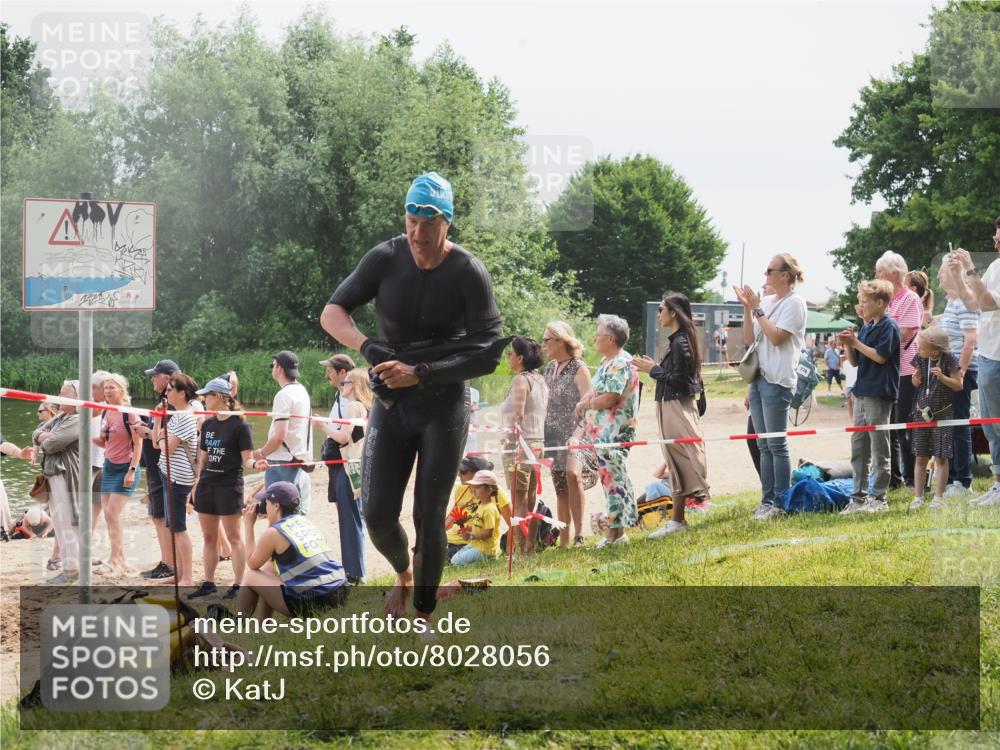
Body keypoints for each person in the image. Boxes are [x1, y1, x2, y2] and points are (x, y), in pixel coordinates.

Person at [320, 171, 505, 623]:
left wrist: (420, 372)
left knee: (428, 511)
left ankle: (423, 615)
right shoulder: (385, 258)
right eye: (411, 220)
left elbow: (487, 353)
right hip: (391, 404)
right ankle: (404, 575)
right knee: (377, 512)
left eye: (430, 223)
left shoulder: (467, 271)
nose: (418, 233)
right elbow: (333, 312)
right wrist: (367, 346)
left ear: (448, 224)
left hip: (444, 403)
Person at [733, 253, 808, 520]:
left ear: (785, 275)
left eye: (769, 270)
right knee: (763, 445)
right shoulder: (765, 301)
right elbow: (749, 339)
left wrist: (758, 309)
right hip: (758, 378)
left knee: (776, 444)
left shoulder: (795, 303)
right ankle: (767, 501)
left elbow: (777, 338)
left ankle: (781, 501)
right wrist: (747, 308)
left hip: (777, 380)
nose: (765, 275)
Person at [635, 291, 709, 537]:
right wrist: (654, 369)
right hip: (670, 404)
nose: (658, 314)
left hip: (676, 405)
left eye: (661, 310)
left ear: (673, 313)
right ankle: (678, 520)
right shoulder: (680, 339)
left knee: (684, 457)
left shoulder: (681, 342)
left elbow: (680, 380)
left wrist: (653, 370)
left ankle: (680, 518)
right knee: (676, 459)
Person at [238, 481, 349, 620]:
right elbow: (268, 561)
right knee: (268, 568)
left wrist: (248, 525)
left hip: (315, 601)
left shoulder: (273, 533)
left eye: (266, 503)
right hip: (340, 591)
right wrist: (271, 521)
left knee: (250, 576)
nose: (264, 507)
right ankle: (264, 622)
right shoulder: (305, 522)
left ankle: (239, 622)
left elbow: (252, 563)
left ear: (276, 506)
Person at [575, 314, 639, 548]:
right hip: (603, 435)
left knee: (614, 482)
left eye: (598, 334)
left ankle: (617, 535)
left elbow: (611, 397)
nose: (594, 338)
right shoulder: (607, 362)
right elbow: (597, 392)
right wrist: (584, 402)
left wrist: (587, 404)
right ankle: (615, 533)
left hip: (614, 434)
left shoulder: (619, 363)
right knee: (611, 481)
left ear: (610, 339)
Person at [949, 218, 1000, 506]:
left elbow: (990, 303)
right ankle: (997, 485)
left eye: (999, 239)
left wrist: (970, 269)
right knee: (991, 427)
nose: (995, 243)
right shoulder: (995, 267)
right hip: (991, 353)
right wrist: (959, 276)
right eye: (995, 238)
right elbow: (973, 302)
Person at [838, 280, 900, 514]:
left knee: (879, 447)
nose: (860, 305)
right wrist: (848, 345)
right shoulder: (866, 327)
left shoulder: (889, 326)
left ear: (880, 303)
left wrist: (856, 342)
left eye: (865, 301)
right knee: (858, 447)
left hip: (879, 393)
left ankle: (879, 497)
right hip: (862, 391)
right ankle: (858, 497)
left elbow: (881, 357)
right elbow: (855, 361)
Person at [191, 373, 253, 600]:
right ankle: (208, 582)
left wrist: (256, 462)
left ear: (218, 396)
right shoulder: (208, 424)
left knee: (234, 538)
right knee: (209, 538)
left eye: (206, 396)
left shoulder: (240, 426)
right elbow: (204, 460)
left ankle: (238, 585)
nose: (203, 399)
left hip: (229, 485)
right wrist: (196, 482)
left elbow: (247, 460)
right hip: (208, 484)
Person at [314, 357, 370, 584]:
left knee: (350, 517)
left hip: (348, 467)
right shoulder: (362, 406)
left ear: (355, 386)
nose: (342, 386)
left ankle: (354, 572)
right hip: (353, 466)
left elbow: (343, 438)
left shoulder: (353, 406)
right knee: (353, 516)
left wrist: (321, 426)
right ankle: (354, 570)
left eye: (347, 383)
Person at [542, 321, 595, 546]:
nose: (543, 345)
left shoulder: (579, 367)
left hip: (576, 433)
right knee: (561, 486)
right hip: (552, 434)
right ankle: (564, 539)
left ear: (561, 341)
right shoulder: (549, 368)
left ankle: (580, 535)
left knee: (574, 476)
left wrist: (578, 433)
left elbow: (590, 405)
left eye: (547, 340)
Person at [876, 251, 923, 489]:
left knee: (905, 427)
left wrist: (877, 344)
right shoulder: (887, 301)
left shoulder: (910, 299)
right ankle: (895, 478)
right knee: (891, 428)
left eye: (879, 272)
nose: (876, 276)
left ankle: (914, 479)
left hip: (907, 371)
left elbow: (902, 335)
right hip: (889, 372)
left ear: (894, 274)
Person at [935, 259, 980, 498]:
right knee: (949, 426)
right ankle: (952, 478)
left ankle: (963, 481)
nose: (939, 276)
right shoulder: (952, 302)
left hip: (962, 371)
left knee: (959, 425)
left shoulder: (965, 301)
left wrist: (960, 372)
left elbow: (970, 340)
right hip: (947, 370)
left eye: (943, 272)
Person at [151, 373, 200, 586]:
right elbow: (156, 443)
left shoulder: (184, 416)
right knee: (172, 528)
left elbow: (167, 447)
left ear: (182, 393)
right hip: (169, 475)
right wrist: (159, 428)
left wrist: (162, 437)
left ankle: (187, 576)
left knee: (179, 529)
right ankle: (180, 573)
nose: (166, 393)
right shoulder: (178, 415)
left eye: (170, 389)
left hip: (178, 479)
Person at [501, 336, 548, 555]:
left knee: (518, 498)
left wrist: (509, 441)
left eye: (510, 353)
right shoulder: (539, 379)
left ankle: (522, 549)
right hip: (537, 441)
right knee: (529, 496)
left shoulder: (521, 380)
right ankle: (531, 545)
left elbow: (517, 415)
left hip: (520, 444)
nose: (508, 357)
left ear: (520, 358)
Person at [93, 373, 144, 576]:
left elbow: (139, 443)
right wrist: (85, 436)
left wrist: (132, 470)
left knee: (112, 513)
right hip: (109, 466)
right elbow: (104, 442)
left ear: (122, 390)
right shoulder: (106, 412)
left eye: (111, 387)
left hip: (126, 468)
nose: (107, 391)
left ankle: (115, 560)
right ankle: (118, 558)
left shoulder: (129, 413)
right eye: (105, 388)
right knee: (108, 515)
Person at [32, 380, 82, 584]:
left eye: (65, 395)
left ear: (77, 398)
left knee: (68, 520)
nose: (58, 397)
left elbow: (52, 445)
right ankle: (67, 566)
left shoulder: (77, 418)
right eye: (59, 393)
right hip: (53, 473)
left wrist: (47, 438)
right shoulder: (62, 416)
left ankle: (73, 569)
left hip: (66, 474)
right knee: (59, 522)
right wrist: (45, 436)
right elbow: (36, 433)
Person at [908, 327, 964, 509]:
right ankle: (918, 497)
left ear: (935, 351)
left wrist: (942, 377)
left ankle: (938, 498)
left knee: (941, 457)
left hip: (943, 413)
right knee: (920, 456)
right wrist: (915, 379)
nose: (918, 351)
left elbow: (958, 385)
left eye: (921, 349)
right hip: (921, 412)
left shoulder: (950, 360)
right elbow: (915, 383)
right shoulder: (920, 359)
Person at [251, 351, 313, 515]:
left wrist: (261, 453)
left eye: (273, 365)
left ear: (279, 369)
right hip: (298, 457)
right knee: (294, 509)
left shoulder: (283, 395)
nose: (273, 368)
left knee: (278, 513)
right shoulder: (302, 391)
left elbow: (279, 436)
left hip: (281, 460)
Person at [139, 359, 181, 580]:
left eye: (155, 375)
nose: (152, 379)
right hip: (155, 465)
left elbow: (167, 435)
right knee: (157, 514)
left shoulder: (174, 402)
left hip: (163, 464)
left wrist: (145, 431)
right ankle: (166, 560)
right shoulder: (164, 400)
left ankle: (170, 563)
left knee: (163, 515)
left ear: (167, 377)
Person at [445, 455, 512, 561]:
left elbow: (513, 525)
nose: (459, 474)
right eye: (459, 470)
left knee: (444, 560)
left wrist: (509, 554)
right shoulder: (461, 489)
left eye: (463, 471)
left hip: (473, 544)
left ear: (478, 473)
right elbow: (454, 517)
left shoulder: (496, 492)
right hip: (451, 542)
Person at [450, 470, 503, 566]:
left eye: (477, 487)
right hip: (477, 544)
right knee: (454, 558)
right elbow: (479, 525)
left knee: (455, 562)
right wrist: (468, 530)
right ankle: (485, 560)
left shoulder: (489, 509)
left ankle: (489, 559)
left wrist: (471, 536)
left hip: (486, 549)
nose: (473, 490)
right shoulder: (481, 505)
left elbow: (489, 533)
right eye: (473, 487)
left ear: (488, 490)